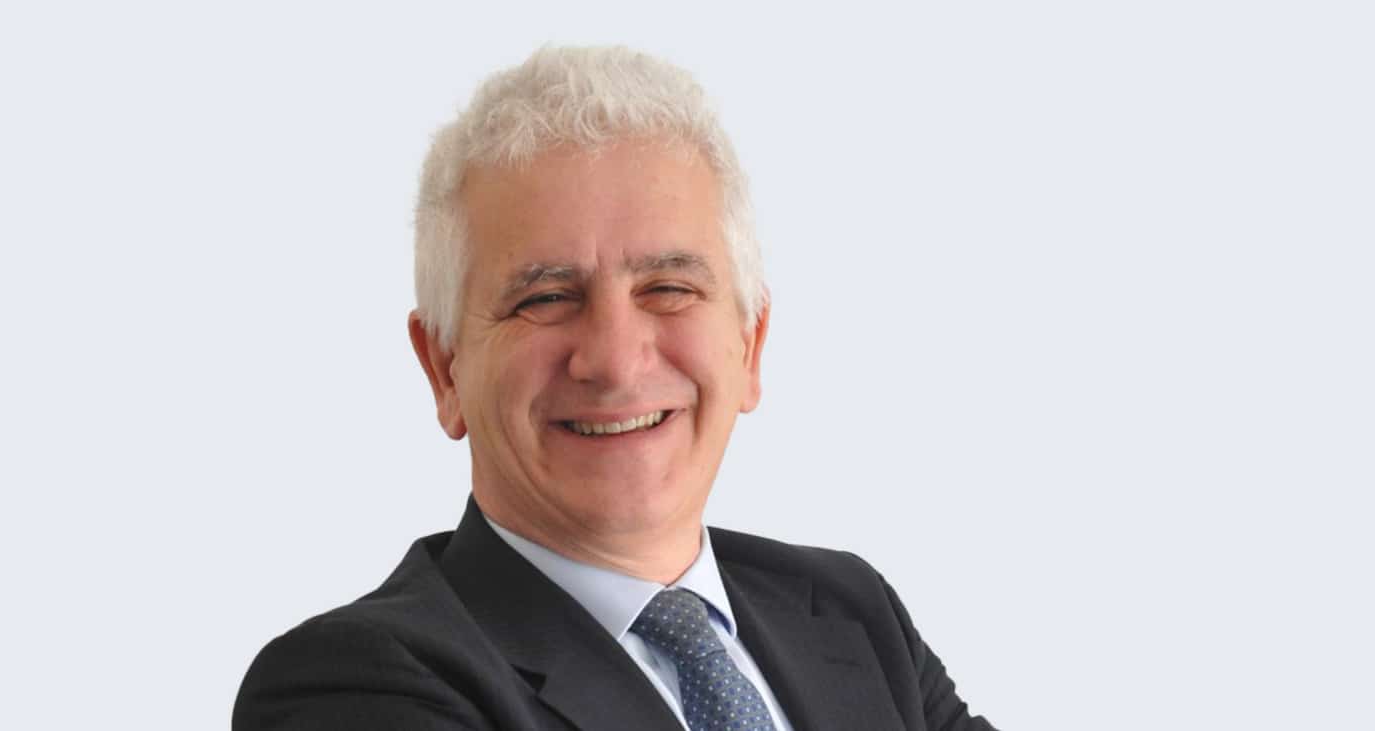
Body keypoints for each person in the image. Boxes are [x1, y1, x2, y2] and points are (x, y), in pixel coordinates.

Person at [233, 45, 999, 731]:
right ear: (445, 369)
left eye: (668, 288)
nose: (615, 360)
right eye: (545, 297)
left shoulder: (852, 612)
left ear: (751, 344)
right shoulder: (350, 685)